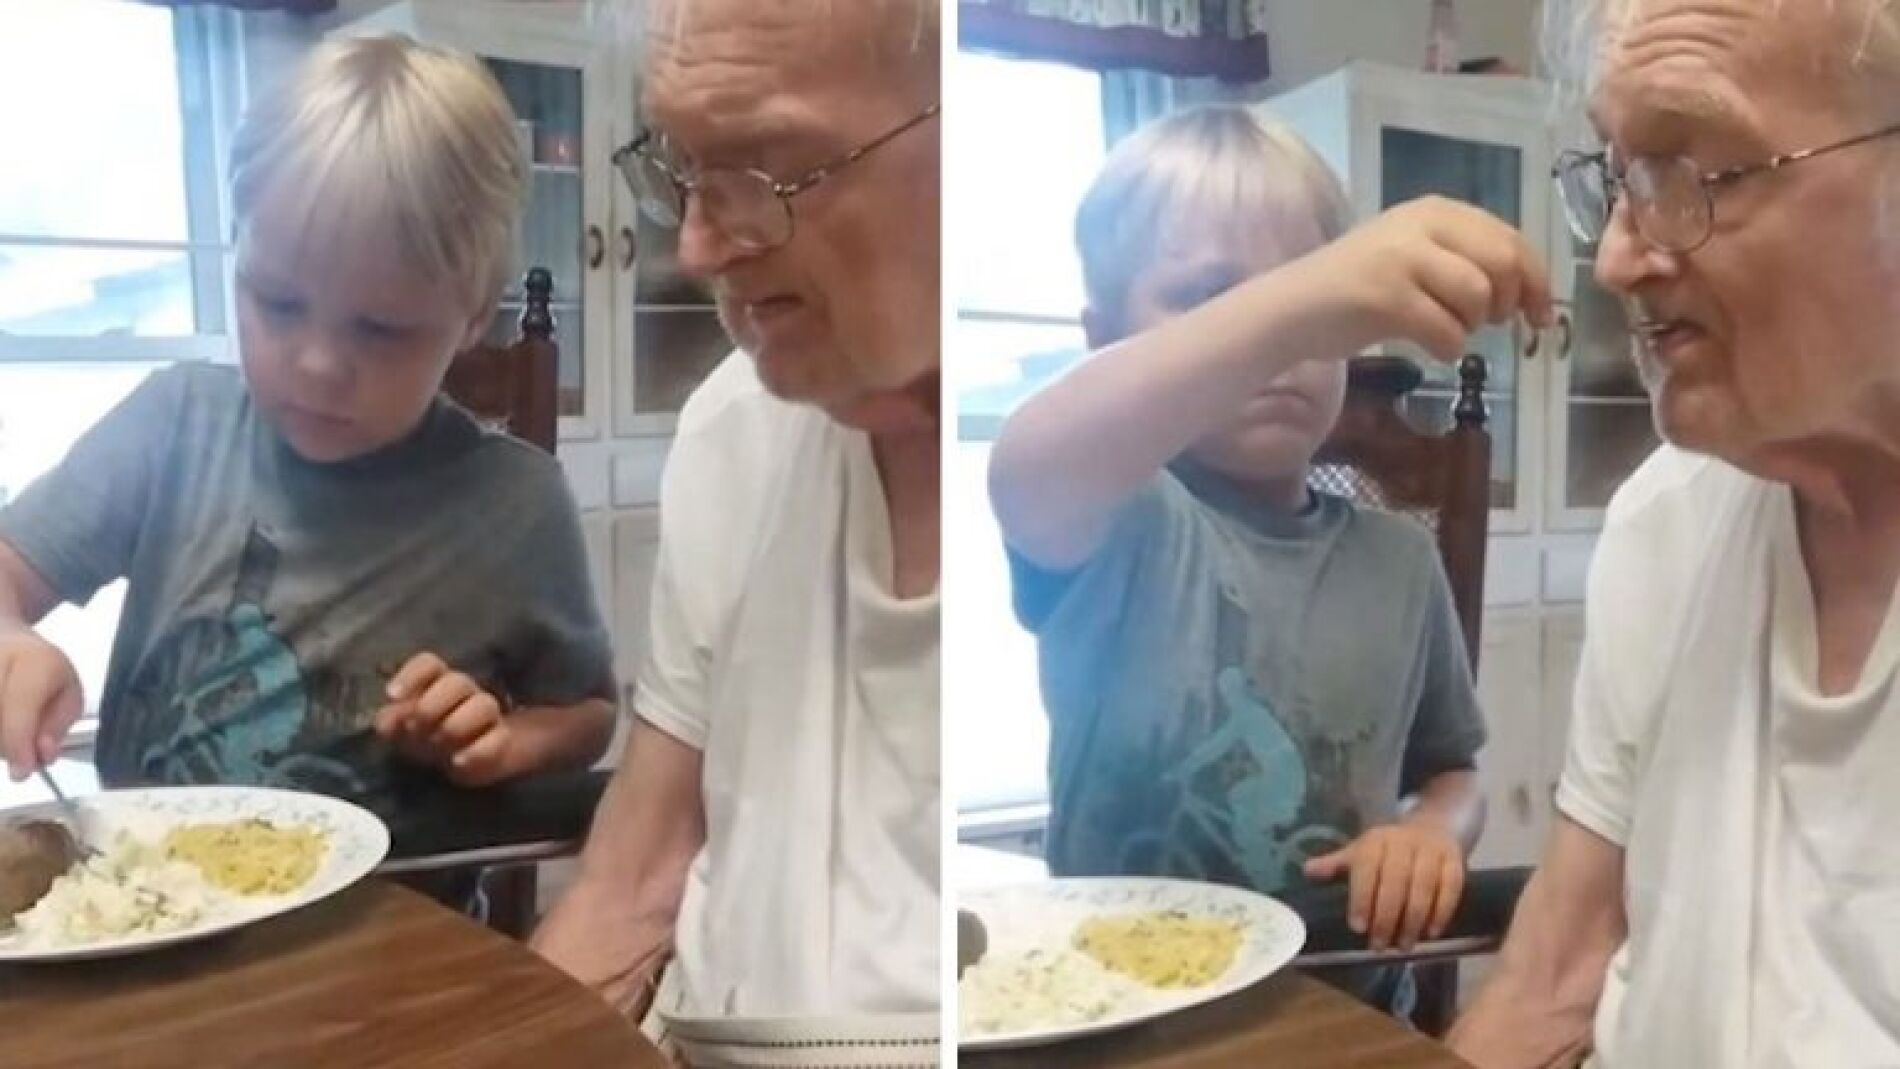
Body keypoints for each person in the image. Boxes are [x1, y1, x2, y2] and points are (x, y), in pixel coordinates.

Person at [987, 105, 1545, 1016]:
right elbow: (1030, 461)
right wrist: (1298, 304)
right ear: (1105, 338)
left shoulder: (1402, 562)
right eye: (1211, 297)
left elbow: (1454, 769)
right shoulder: (1119, 519)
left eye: (1315, 311)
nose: (1284, 351)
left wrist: (1432, 832)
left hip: (1349, 1017)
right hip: (1119, 1019)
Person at [0, 36, 615, 822]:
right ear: (238, 254)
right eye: (278, 303)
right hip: (140, 882)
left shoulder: (518, 502)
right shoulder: (175, 425)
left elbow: (588, 714)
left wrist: (501, 744)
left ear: (472, 319)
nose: (318, 364)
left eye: (381, 329)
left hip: (393, 896)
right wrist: (12, 641)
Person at [1449, 0, 1900, 1064]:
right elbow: (1557, 971)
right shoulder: (1668, 516)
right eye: (1618, 178)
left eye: (1693, 171)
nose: (1615, 260)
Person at [531, 0, 942, 1030]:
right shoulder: (731, 427)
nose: (696, 247)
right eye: (683, 171)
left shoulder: (1062, 494)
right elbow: (635, 877)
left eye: (765, 169)